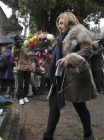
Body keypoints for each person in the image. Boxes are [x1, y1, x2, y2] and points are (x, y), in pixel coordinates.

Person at [43, 12, 98, 140]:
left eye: (61, 23)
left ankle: (88, 134)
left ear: (69, 20)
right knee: (54, 104)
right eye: (58, 23)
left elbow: (88, 50)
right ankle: (48, 136)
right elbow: (59, 55)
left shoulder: (80, 32)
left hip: (75, 75)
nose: (59, 26)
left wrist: (70, 59)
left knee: (80, 106)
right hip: (60, 76)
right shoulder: (61, 37)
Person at [12, 40, 32, 105]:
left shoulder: (29, 47)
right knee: (20, 83)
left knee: (27, 84)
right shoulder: (18, 48)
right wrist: (15, 47)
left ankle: (25, 96)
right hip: (20, 68)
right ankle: (20, 97)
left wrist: (23, 48)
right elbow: (14, 55)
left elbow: (28, 55)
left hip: (28, 68)